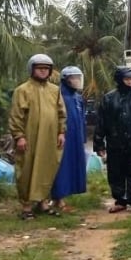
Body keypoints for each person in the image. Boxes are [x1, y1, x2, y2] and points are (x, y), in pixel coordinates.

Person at [8, 54, 66, 219]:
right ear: (32, 69)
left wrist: (61, 132)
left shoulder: (55, 90)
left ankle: (43, 203)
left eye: (46, 69)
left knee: (47, 168)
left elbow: (62, 113)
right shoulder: (22, 90)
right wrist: (19, 136)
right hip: (29, 137)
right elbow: (16, 115)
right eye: (40, 68)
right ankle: (26, 207)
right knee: (26, 168)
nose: (43, 71)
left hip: (50, 138)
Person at [93, 66, 131, 214]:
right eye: (127, 79)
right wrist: (99, 144)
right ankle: (120, 201)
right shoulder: (109, 98)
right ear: (120, 80)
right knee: (115, 172)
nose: (130, 81)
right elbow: (101, 123)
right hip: (115, 142)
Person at [51, 65, 87, 212]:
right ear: (66, 80)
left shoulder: (78, 98)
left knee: (74, 165)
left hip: (76, 138)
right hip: (63, 137)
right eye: (73, 78)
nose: (77, 81)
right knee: (62, 167)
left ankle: (66, 195)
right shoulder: (58, 96)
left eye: (78, 77)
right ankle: (58, 198)